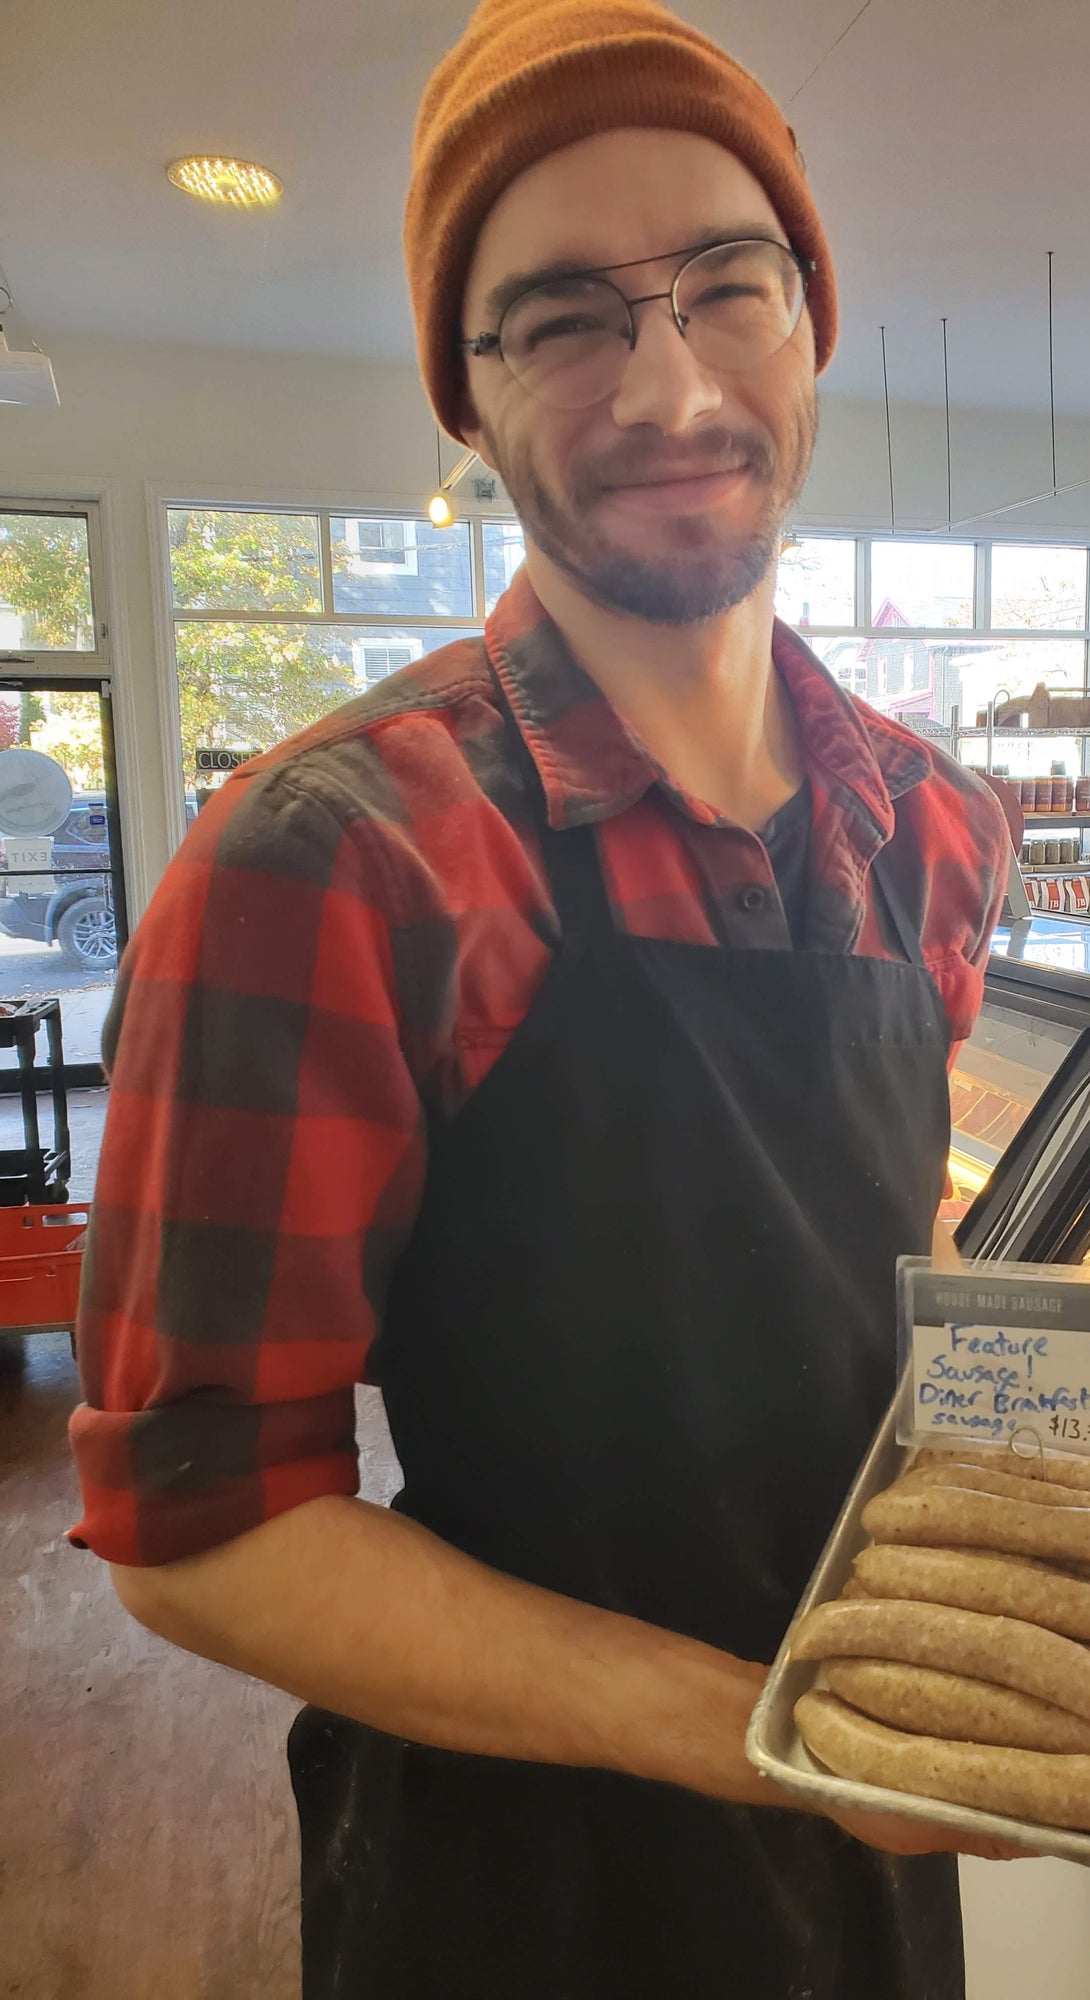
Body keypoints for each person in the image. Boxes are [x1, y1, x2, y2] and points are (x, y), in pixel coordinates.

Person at [67, 2, 1013, 1994]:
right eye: (566, 315)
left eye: (724, 285)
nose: (669, 383)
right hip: (516, 1879)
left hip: (872, 1857)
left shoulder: (934, 827)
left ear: (809, 321)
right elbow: (202, 1523)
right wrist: (773, 1740)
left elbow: (878, 1259)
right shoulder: (332, 855)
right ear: (467, 396)